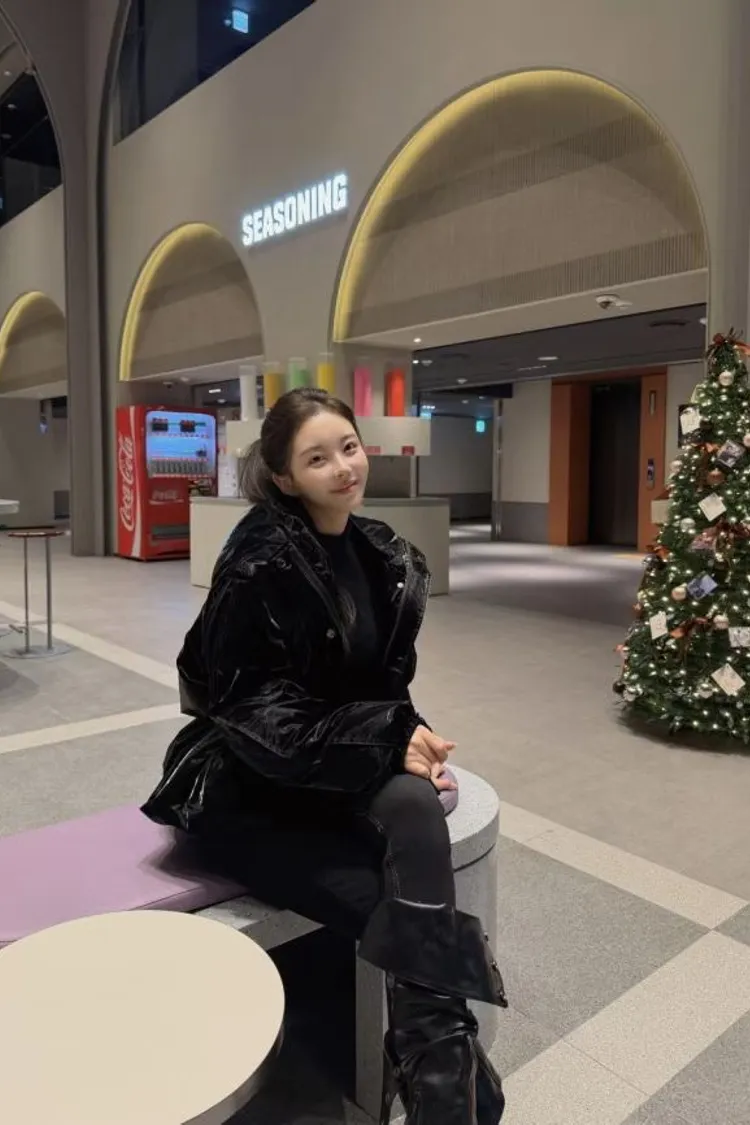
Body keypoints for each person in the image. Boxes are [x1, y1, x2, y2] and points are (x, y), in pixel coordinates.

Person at [142, 388, 507, 1124]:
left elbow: (377, 686)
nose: (343, 467)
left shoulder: (380, 553)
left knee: (412, 806)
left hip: (329, 766)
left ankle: (439, 1075)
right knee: (399, 905)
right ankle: (450, 1076)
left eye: (348, 446)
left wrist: (409, 733)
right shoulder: (258, 562)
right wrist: (384, 736)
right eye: (317, 458)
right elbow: (254, 717)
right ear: (283, 476)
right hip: (249, 782)